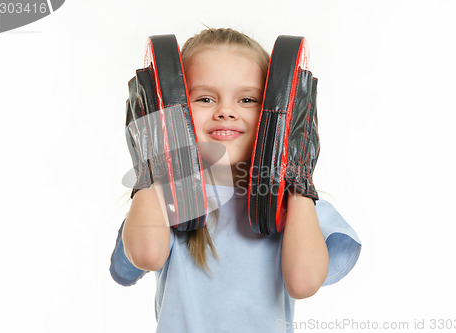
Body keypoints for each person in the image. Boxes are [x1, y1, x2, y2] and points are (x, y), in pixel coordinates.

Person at [110, 28, 362, 333]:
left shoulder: (297, 208)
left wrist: (295, 173)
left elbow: (303, 282)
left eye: (247, 99)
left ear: (278, 112)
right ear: (174, 110)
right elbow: (147, 255)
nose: (226, 112)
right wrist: (153, 157)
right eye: (204, 98)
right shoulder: (163, 199)